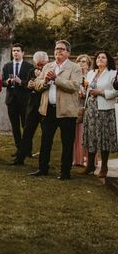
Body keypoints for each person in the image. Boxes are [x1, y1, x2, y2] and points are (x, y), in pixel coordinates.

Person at [31, 40, 82, 180]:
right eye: (56, 49)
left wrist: (56, 79)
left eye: (62, 49)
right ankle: (42, 168)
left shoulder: (75, 68)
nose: (58, 51)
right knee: (46, 140)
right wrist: (45, 82)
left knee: (67, 142)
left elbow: (74, 86)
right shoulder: (48, 66)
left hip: (66, 111)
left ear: (68, 53)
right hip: (48, 110)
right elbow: (37, 84)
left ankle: (65, 172)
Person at [81, 50, 118, 178]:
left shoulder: (113, 73)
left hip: (105, 110)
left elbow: (115, 92)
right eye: (98, 58)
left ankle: (104, 167)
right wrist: (85, 92)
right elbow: (86, 88)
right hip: (91, 109)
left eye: (103, 58)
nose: (100, 59)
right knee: (91, 136)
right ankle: (90, 165)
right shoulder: (91, 73)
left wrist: (100, 92)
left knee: (104, 138)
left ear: (108, 60)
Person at [11, 51, 49, 166]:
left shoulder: (50, 72)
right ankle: (20, 158)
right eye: (38, 64)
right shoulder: (31, 71)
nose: (40, 67)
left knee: (46, 134)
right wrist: (29, 85)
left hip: (44, 106)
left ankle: (44, 163)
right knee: (27, 132)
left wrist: (39, 80)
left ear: (46, 63)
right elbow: (27, 85)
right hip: (32, 105)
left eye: (42, 65)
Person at [1, 43, 34, 157]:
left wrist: (21, 82)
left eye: (18, 50)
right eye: (14, 50)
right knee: (15, 127)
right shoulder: (7, 66)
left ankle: (28, 150)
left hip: (25, 101)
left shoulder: (29, 67)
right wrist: (7, 82)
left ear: (23, 53)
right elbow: (2, 82)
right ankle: (19, 149)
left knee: (26, 126)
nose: (15, 52)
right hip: (11, 100)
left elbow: (32, 84)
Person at [73, 54, 92, 167]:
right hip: (77, 107)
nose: (81, 64)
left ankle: (90, 159)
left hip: (89, 107)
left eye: (84, 62)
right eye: (79, 61)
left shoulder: (91, 76)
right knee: (78, 133)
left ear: (88, 64)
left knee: (89, 133)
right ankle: (78, 159)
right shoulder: (75, 75)